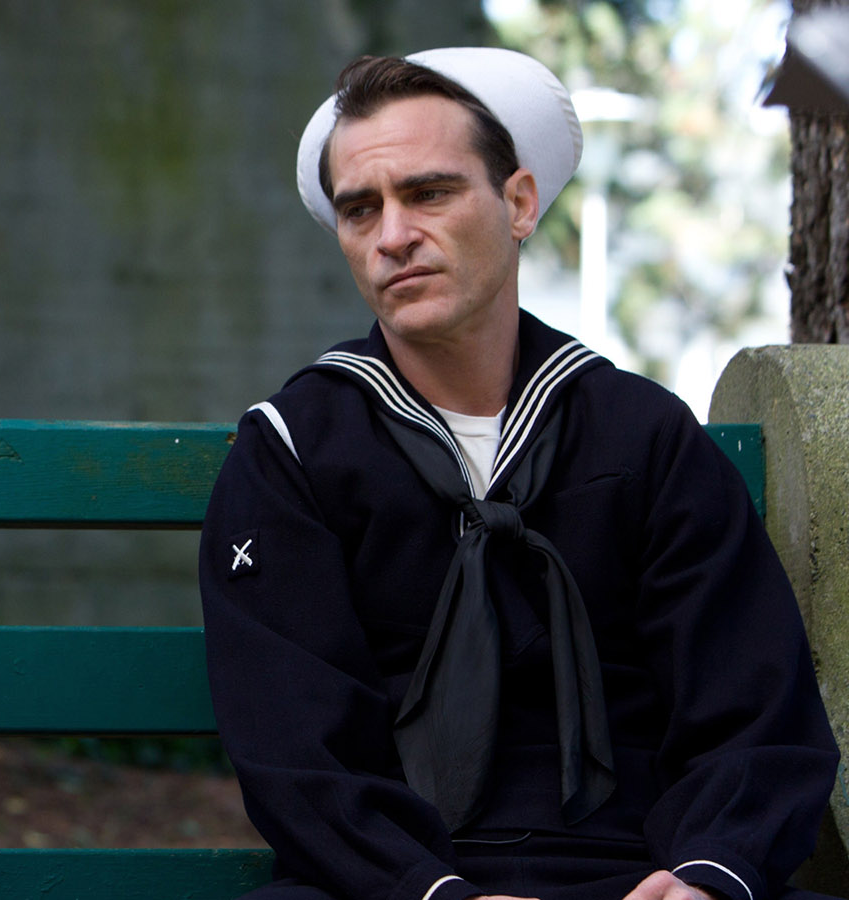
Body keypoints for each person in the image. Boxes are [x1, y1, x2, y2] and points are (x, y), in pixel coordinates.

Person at [199, 47, 841, 900]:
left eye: (429, 192)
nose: (393, 236)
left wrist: (707, 874)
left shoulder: (646, 437)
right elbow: (297, 751)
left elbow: (754, 711)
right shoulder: (292, 452)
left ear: (519, 203)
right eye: (361, 209)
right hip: (394, 887)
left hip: (641, 881)